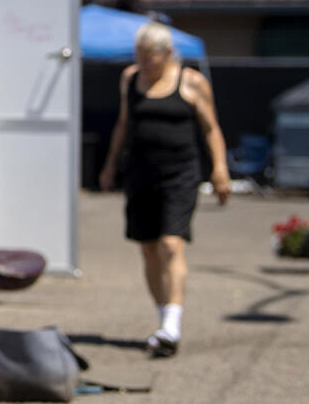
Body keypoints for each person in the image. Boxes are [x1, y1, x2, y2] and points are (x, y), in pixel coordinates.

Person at [98, 21, 231, 357]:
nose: (144, 64)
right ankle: (163, 320)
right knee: (148, 247)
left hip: (180, 173)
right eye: (139, 56)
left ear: (168, 53)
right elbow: (124, 124)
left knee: (172, 243)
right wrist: (111, 164)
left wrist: (220, 169)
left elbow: (211, 129)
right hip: (141, 173)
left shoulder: (192, 82)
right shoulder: (130, 79)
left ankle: (173, 324)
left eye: (150, 58)